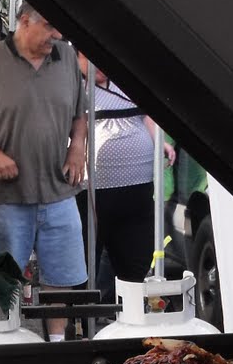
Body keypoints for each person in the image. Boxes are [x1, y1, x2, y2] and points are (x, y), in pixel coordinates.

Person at [0, 0, 88, 341]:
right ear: (25, 21)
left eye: (59, 30)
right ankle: (2, 341)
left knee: (62, 274)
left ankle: (57, 342)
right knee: (2, 277)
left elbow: (79, 115)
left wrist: (76, 148)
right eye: (49, 28)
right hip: (6, 195)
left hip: (58, 188)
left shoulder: (66, 58)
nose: (55, 36)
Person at [74, 54, 174, 287]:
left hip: (137, 191)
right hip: (93, 195)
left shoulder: (128, 83)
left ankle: (130, 313)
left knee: (135, 266)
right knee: (86, 263)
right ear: (78, 57)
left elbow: (144, 114)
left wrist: (160, 143)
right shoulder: (75, 88)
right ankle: (82, 319)